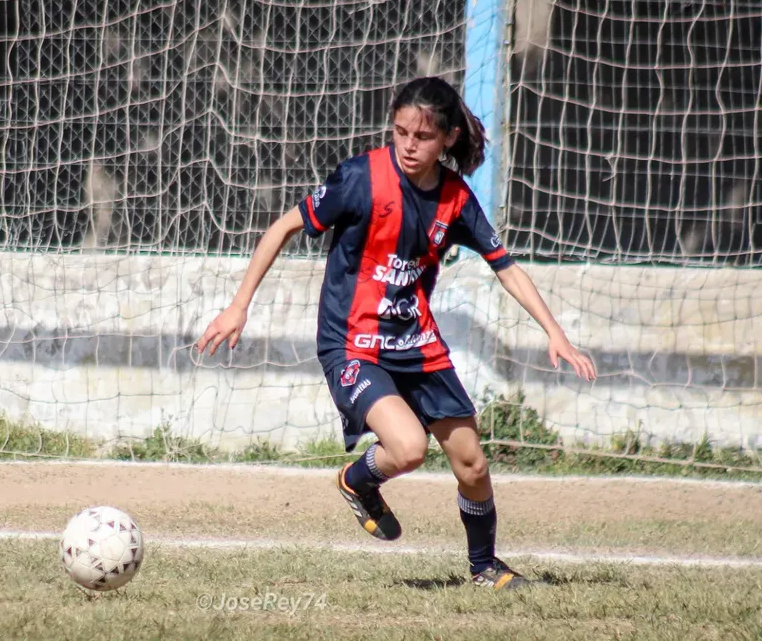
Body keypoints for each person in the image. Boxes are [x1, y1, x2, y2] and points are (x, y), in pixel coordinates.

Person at [195, 76, 597, 590]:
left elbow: (506, 266)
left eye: (423, 137)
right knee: (408, 448)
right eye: (401, 131)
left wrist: (554, 333)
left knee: (472, 464)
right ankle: (358, 480)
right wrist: (238, 306)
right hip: (352, 342)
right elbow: (283, 227)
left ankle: (484, 568)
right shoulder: (361, 179)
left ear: (448, 138)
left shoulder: (455, 198)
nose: (409, 145)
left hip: (417, 343)